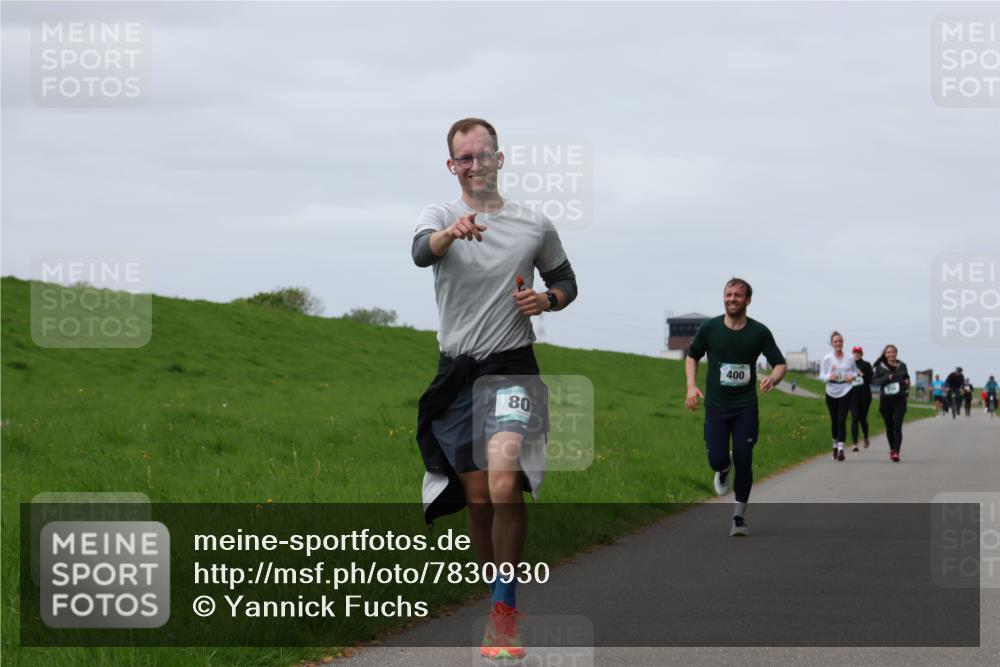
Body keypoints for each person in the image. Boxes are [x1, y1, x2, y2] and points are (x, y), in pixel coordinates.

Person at [412, 118, 578, 660]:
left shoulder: (533, 223)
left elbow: (566, 281)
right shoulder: (438, 216)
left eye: (484, 155)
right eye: (465, 158)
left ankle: (504, 616)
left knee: (505, 482)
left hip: (511, 368)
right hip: (457, 373)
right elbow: (420, 252)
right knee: (479, 501)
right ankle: (498, 601)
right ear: (452, 166)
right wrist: (450, 234)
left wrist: (546, 301)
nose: (475, 164)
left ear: (499, 159)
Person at [685, 277, 787, 537]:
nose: (731, 299)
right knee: (717, 458)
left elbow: (779, 363)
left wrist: (773, 378)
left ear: (748, 300)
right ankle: (723, 469)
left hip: (745, 407)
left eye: (737, 296)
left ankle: (738, 518)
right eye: (728, 294)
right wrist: (691, 386)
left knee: (744, 458)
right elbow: (693, 355)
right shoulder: (709, 328)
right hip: (717, 407)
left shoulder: (759, 332)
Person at [819, 332, 858, 461]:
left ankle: (841, 449)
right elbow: (821, 376)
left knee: (842, 419)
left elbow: (855, 371)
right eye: (836, 341)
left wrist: (852, 376)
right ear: (832, 343)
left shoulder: (849, 358)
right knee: (834, 421)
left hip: (846, 390)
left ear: (843, 343)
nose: (838, 344)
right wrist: (829, 377)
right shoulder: (827, 358)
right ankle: (834, 445)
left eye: (840, 341)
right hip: (831, 391)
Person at [871, 345, 910, 462]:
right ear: (885, 354)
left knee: (897, 426)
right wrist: (886, 378)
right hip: (886, 400)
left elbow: (906, 377)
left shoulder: (902, 365)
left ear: (896, 353)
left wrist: (907, 381)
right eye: (888, 352)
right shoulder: (880, 367)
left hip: (900, 400)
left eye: (893, 352)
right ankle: (892, 449)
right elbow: (874, 382)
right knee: (889, 427)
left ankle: (896, 452)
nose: (891, 354)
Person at [848, 345, 873, 451]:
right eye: (854, 352)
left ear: (861, 354)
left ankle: (866, 438)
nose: (856, 354)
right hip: (852, 396)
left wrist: (861, 374)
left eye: (858, 352)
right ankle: (855, 443)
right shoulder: (848, 365)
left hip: (865, 396)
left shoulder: (866, 365)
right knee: (855, 418)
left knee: (862, 419)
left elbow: (871, 379)